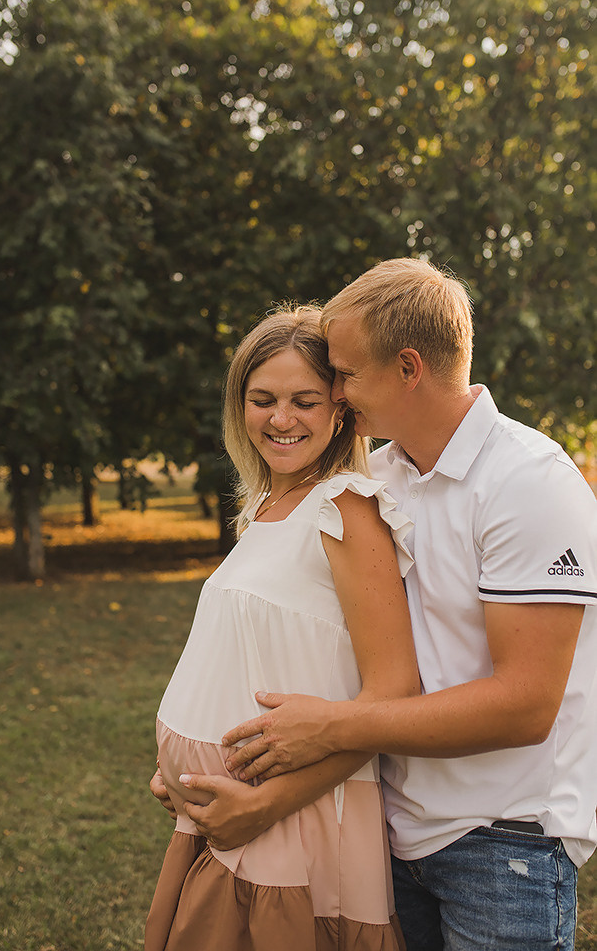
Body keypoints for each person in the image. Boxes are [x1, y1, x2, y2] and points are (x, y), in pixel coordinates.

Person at [200, 258, 597, 950]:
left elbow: (525, 705)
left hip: (503, 843)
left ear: (407, 367)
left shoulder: (528, 484)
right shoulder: (375, 477)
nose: (338, 394)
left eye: (346, 374)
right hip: (388, 829)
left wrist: (332, 729)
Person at [144, 304, 420, 951]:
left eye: (304, 400)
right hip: (221, 817)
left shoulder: (345, 507)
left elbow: (394, 695)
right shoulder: (266, 504)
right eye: (261, 398)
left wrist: (263, 805)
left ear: (340, 409)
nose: (280, 419)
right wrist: (177, 769)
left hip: (293, 820)